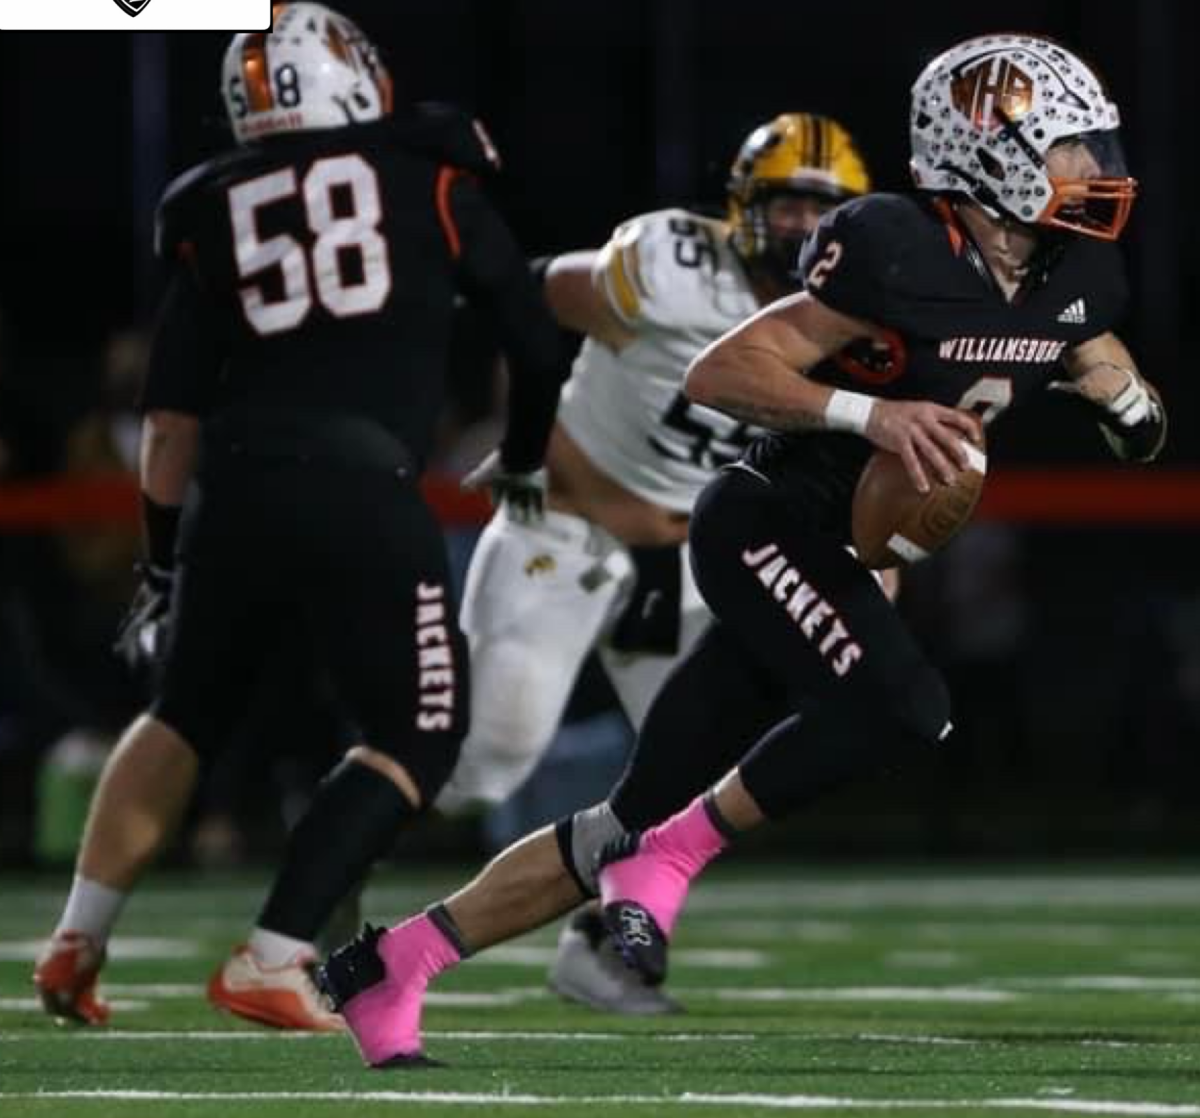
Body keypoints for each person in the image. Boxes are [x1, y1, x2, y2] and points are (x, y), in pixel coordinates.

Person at [314, 32, 1167, 1068]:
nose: (1098, 167)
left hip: (838, 554)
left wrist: (1126, 398)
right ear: (990, 151)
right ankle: (670, 862)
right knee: (905, 706)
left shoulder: (1080, 267)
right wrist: (872, 416)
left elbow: (1087, 335)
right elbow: (722, 371)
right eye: (1072, 146)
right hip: (764, 520)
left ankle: (390, 964)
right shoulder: (897, 244)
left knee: (621, 817)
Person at [33, 1, 566, 1030]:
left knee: (182, 714)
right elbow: (536, 343)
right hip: (361, 483)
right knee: (418, 729)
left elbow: (169, 423)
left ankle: (75, 938)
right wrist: (528, 453)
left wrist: (162, 557)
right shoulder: (432, 170)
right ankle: (277, 950)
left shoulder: (210, 207)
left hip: (233, 487)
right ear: (354, 77)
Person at [433, 111, 872, 1015]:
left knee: (707, 778)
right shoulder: (667, 269)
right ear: (743, 205)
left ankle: (600, 950)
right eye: (784, 203)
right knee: (490, 758)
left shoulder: (857, 322)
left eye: (819, 210)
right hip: (572, 524)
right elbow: (520, 299)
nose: (797, 226)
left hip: (693, 559)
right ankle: (338, 861)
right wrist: (525, 443)